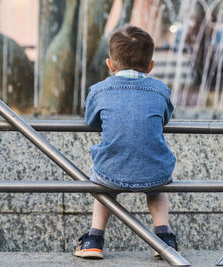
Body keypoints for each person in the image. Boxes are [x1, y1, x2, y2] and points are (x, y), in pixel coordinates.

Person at [74, 25, 178, 260]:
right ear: (151, 66)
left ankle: (94, 239)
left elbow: (91, 120)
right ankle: (164, 238)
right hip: (155, 171)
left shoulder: (99, 90)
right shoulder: (160, 90)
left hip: (110, 171)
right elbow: (166, 117)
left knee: (103, 190)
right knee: (158, 192)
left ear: (110, 64)